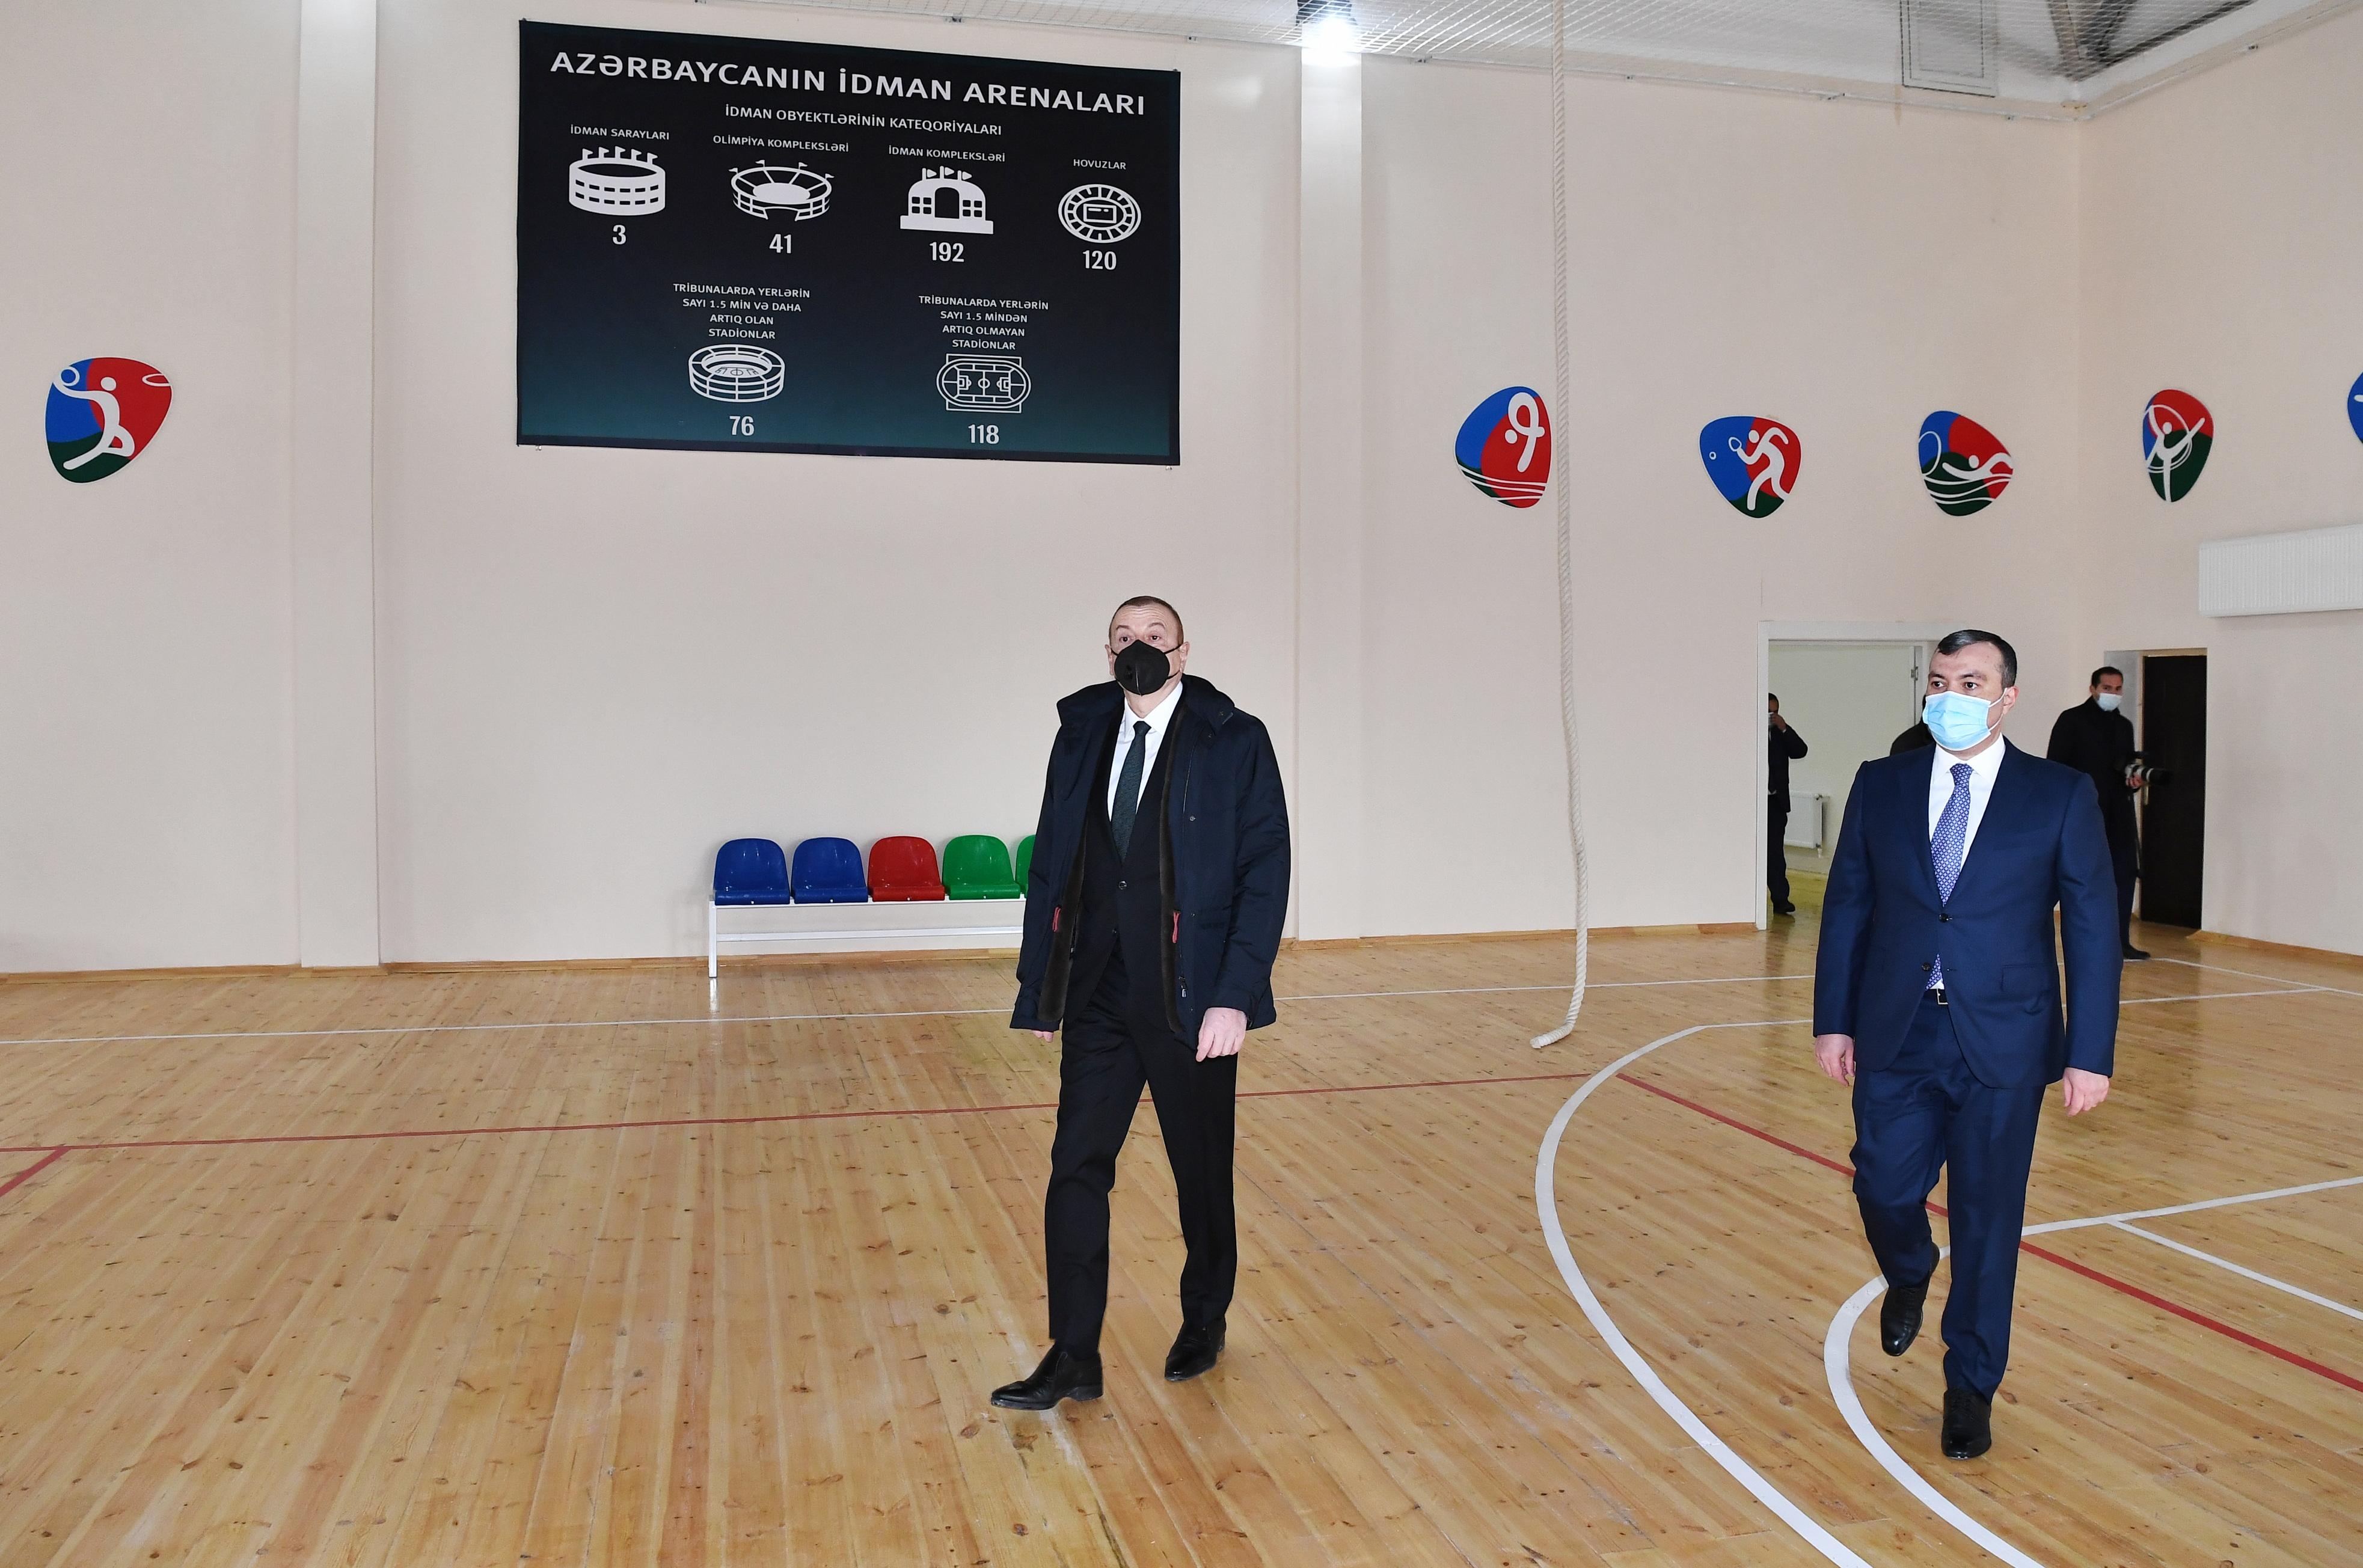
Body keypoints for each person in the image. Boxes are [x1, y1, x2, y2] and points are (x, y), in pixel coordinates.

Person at [1812, 629, 2119, 1460]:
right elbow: (1848, 904)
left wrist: (2090, 1051)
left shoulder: (2058, 794)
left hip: (2005, 1037)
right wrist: (1832, 1019)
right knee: (1881, 1184)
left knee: (1988, 1220)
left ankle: (1970, 1385)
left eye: (1972, 681)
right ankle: (1909, 1266)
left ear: (2006, 697)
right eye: (1941, 681)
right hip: (1896, 1027)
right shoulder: (1882, 783)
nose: (1951, 695)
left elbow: (2092, 926)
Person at [993, 596, 1291, 1411]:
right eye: (1125, 637)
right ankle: (1073, 1354)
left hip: (1191, 999)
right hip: (1097, 992)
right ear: (1107, 652)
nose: (1140, 647)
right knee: (1075, 1168)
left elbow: (1264, 873)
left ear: (1183, 653)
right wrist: (1042, 986)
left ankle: (1205, 1318)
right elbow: (1052, 863)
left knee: (1201, 1173)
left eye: (1155, 636)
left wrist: (1234, 997)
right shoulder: (1081, 733)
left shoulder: (1234, 739)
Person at [2047, 667, 2145, 960]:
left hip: (2119, 813)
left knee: (2123, 874)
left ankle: (2121, 942)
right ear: (2093, 689)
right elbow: (2056, 767)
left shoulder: (2124, 726)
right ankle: (2087, 942)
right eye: (2107, 688)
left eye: (2118, 689)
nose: (2113, 694)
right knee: (2083, 878)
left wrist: (2133, 782)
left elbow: (2124, 769)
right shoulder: (2072, 720)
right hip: (2084, 814)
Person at [1767, 694, 1809, 915]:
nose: (1771, 716)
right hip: (1752, 803)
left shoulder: (1780, 733)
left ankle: (1781, 899)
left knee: (1775, 854)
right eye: (1768, 712)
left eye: (1775, 712)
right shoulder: (1747, 733)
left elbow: (1800, 751)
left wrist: (1784, 728)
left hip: (1775, 802)